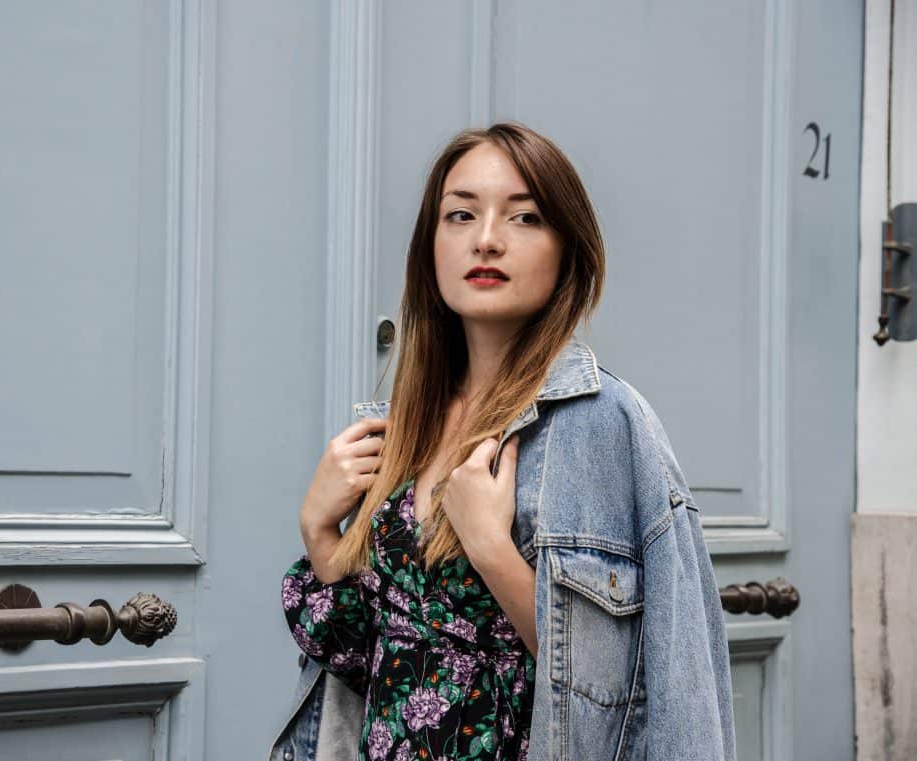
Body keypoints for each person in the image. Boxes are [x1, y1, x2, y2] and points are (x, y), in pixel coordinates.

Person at [273, 122, 736, 761]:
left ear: (567, 251)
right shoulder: (404, 424)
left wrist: (491, 548)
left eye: (524, 219)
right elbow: (366, 657)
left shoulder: (607, 424)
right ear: (430, 246)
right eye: (460, 214)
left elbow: (643, 694)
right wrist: (322, 534)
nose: (486, 240)